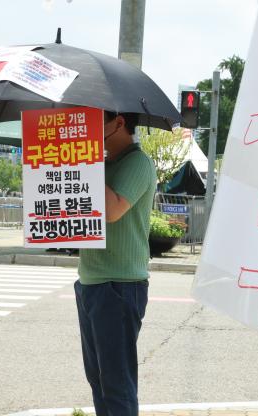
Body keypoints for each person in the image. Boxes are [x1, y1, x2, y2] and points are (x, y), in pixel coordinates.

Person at [74, 111, 157, 416]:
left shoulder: (138, 163)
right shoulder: (105, 163)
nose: (87, 129)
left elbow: (112, 210)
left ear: (118, 123)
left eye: (96, 122)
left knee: (116, 384)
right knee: (98, 379)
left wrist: (85, 159)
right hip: (91, 281)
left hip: (119, 284)